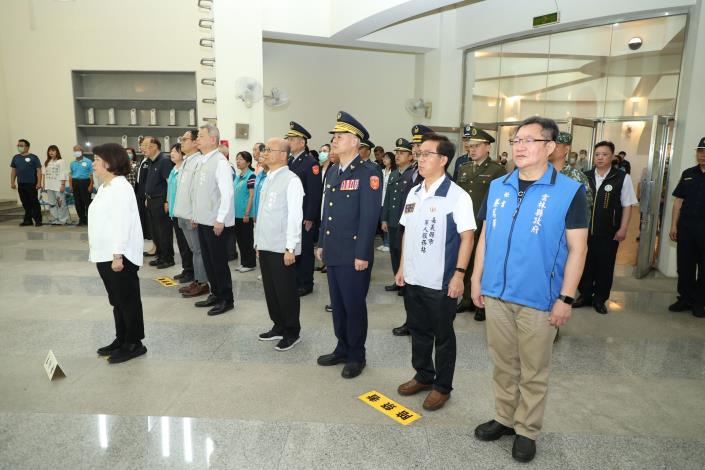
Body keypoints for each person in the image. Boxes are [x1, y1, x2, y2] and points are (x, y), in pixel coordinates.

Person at [471, 116, 588, 463]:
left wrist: (566, 297)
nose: (519, 146)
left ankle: (527, 430)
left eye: (529, 140)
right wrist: (476, 279)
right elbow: (486, 237)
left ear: (549, 147)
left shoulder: (569, 191)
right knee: (502, 364)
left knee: (534, 370)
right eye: (515, 140)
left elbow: (578, 249)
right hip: (496, 292)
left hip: (539, 298)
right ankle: (505, 418)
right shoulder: (498, 186)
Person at [395, 133, 475, 411]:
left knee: (443, 336)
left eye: (426, 154)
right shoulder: (415, 192)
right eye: (419, 154)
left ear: (443, 160)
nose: (420, 158)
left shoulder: (457, 196)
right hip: (414, 277)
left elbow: (467, 238)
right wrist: (403, 266)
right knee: (418, 331)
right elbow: (407, 231)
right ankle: (423, 375)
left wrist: (459, 275)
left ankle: (442, 386)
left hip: (441, 282)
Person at [316, 111, 382, 379]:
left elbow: (369, 217)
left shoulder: (369, 172)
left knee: (354, 305)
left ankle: (357, 354)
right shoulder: (333, 171)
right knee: (338, 304)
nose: (334, 140)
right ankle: (342, 347)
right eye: (334, 136)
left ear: (355, 142)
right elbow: (326, 211)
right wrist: (321, 242)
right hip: (333, 250)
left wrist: (363, 253)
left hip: (354, 253)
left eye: (340, 136)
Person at [88, 143, 146, 364]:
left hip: (118, 255)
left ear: (109, 162)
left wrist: (117, 255)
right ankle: (121, 338)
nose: (93, 163)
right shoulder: (105, 187)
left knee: (128, 299)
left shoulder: (121, 187)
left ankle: (134, 343)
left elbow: (121, 224)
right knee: (117, 300)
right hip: (105, 253)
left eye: (96, 159)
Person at [574, 141, 638, 314]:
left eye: (604, 154)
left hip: (608, 232)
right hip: (584, 232)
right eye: (597, 154)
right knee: (585, 264)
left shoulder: (621, 177)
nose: (600, 158)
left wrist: (623, 228)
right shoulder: (584, 176)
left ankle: (600, 299)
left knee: (605, 266)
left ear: (612, 156)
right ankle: (585, 295)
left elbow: (627, 205)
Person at [255, 137, 305, 351]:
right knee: (271, 289)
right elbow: (264, 214)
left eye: (269, 149)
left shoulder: (291, 180)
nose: (264, 152)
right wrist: (257, 243)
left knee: (285, 291)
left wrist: (290, 247)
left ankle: (292, 331)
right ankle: (278, 325)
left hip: (282, 247)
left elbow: (295, 216)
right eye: (264, 149)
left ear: (283, 155)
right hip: (266, 244)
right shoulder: (267, 177)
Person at [455, 125, 506, 319]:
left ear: (487, 147)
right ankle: (467, 300)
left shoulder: (497, 170)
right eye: (470, 146)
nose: (472, 150)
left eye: (476, 146)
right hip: (466, 225)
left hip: (485, 225)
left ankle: (481, 305)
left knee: (483, 265)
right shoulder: (464, 168)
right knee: (465, 263)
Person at [192, 124, 235, 316]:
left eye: (201, 136)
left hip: (215, 222)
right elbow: (200, 192)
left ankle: (227, 299)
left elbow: (227, 193)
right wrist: (196, 214)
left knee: (218, 262)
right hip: (203, 220)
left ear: (212, 139)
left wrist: (220, 219)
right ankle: (215, 293)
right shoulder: (202, 160)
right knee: (209, 261)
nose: (197, 139)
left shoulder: (220, 162)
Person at [668, 137, 705, 318]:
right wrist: (673, 225)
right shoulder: (688, 173)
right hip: (687, 228)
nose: (702, 155)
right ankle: (685, 299)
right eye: (700, 151)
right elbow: (678, 201)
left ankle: (700, 302)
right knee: (685, 267)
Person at [286, 121, 322, 297]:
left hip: (303, 215)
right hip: (292, 214)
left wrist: (310, 217)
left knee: (305, 250)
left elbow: (315, 192)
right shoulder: (290, 161)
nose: (289, 142)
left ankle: (306, 282)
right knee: (293, 247)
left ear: (302, 142)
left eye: (292, 139)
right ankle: (295, 279)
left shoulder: (310, 163)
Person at [172, 129, 209, 299]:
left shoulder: (199, 161)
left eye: (185, 139)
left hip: (191, 215)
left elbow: (198, 191)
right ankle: (197, 279)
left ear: (195, 143)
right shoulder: (187, 161)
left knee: (198, 250)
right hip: (182, 213)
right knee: (194, 250)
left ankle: (202, 283)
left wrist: (195, 214)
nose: (181, 142)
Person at [382, 139, 415, 295]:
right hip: (393, 220)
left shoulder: (413, 175)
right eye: (396, 153)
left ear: (410, 157)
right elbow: (388, 198)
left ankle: (406, 283)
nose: (397, 156)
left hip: (406, 223)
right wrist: (384, 218)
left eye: (402, 153)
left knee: (404, 252)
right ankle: (398, 280)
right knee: (394, 252)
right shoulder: (394, 174)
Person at [142, 137, 175, 269]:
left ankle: (168, 258)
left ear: (154, 146)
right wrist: (147, 197)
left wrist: (167, 201)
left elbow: (169, 183)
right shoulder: (151, 161)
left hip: (161, 201)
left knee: (164, 231)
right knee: (155, 231)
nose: (142, 148)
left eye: (145, 145)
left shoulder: (164, 161)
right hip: (151, 200)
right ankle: (160, 256)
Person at [166, 143, 194, 284]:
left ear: (182, 154)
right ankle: (186, 268)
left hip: (183, 212)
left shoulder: (185, 169)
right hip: (174, 211)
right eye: (171, 152)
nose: (172, 154)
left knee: (187, 244)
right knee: (181, 245)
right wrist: (167, 202)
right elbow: (170, 189)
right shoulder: (174, 169)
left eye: (175, 152)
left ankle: (191, 271)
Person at [549, 132, 593, 216]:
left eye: (555, 145)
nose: (550, 149)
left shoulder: (577, 177)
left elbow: (584, 209)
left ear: (567, 149)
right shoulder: (537, 172)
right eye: (548, 145)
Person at [10, 139, 43, 226]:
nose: (19, 147)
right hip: (21, 183)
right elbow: (14, 171)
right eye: (18, 145)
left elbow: (39, 170)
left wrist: (39, 182)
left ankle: (38, 220)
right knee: (25, 202)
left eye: (21, 145)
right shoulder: (16, 158)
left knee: (33, 201)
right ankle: (28, 220)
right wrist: (12, 182)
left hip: (31, 183)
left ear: (27, 147)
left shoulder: (34, 157)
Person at [233, 151, 257, 272]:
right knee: (240, 240)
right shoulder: (238, 176)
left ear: (248, 162)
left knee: (247, 239)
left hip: (245, 214)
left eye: (241, 159)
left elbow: (252, 196)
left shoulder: (251, 176)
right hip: (236, 214)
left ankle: (250, 263)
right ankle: (244, 262)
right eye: (237, 159)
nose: (238, 161)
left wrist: (247, 213)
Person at [135, 138, 154, 256]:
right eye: (141, 145)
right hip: (140, 193)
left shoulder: (152, 161)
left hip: (148, 195)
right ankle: (153, 246)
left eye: (145, 145)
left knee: (151, 222)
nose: (142, 148)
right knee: (144, 220)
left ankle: (156, 247)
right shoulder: (143, 159)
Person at [42, 145, 70, 225]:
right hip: (49, 186)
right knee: (52, 203)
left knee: (60, 203)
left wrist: (63, 185)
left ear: (57, 152)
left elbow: (63, 173)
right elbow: (44, 174)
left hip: (58, 186)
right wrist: (44, 184)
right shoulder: (47, 162)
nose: (51, 152)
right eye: (50, 151)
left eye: (53, 150)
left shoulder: (61, 161)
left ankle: (62, 220)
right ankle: (56, 218)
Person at [68, 145, 93, 227]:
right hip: (75, 183)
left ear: (82, 151)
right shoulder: (72, 163)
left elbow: (91, 175)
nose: (76, 152)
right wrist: (71, 185)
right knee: (78, 203)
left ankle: (89, 220)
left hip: (85, 182)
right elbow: (70, 175)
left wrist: (91, 185)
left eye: (78, 150)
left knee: (87, 202)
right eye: (75, 150)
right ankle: (82, 219)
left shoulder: (88, 161)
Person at [376, 151, 396, 252]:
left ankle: (388, 243)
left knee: (387, 223)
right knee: (382, 222)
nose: (384, 160)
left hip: (388, 202)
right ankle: (385, 242)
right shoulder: (381, 171)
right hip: (380, 200)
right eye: (383, 158)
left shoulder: (394, 172)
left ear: (391, 160)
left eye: (386, 158)